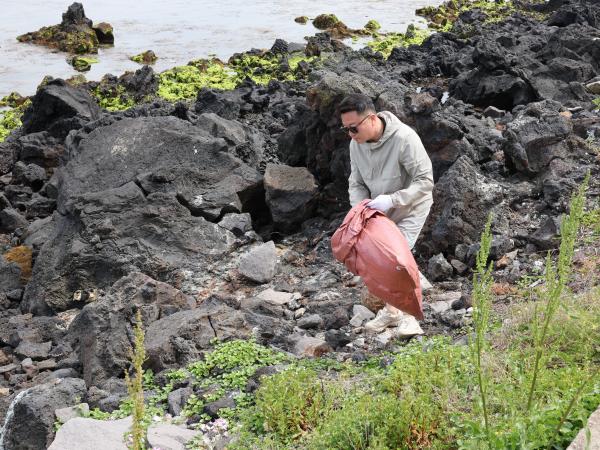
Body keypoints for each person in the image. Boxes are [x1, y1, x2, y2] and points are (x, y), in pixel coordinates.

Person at [339, 93, 434, 332]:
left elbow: (425, 182)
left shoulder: (405, 138)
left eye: (353, 128)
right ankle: (392, 313)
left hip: (410, 207)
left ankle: (410, 318)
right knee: (376, 260)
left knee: (396, 260)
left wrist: (392, 200)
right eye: (346, 130)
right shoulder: (355, 145)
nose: (350, 135)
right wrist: (360, 208)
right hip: (378, 213)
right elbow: (356, 182)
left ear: (371, 119)